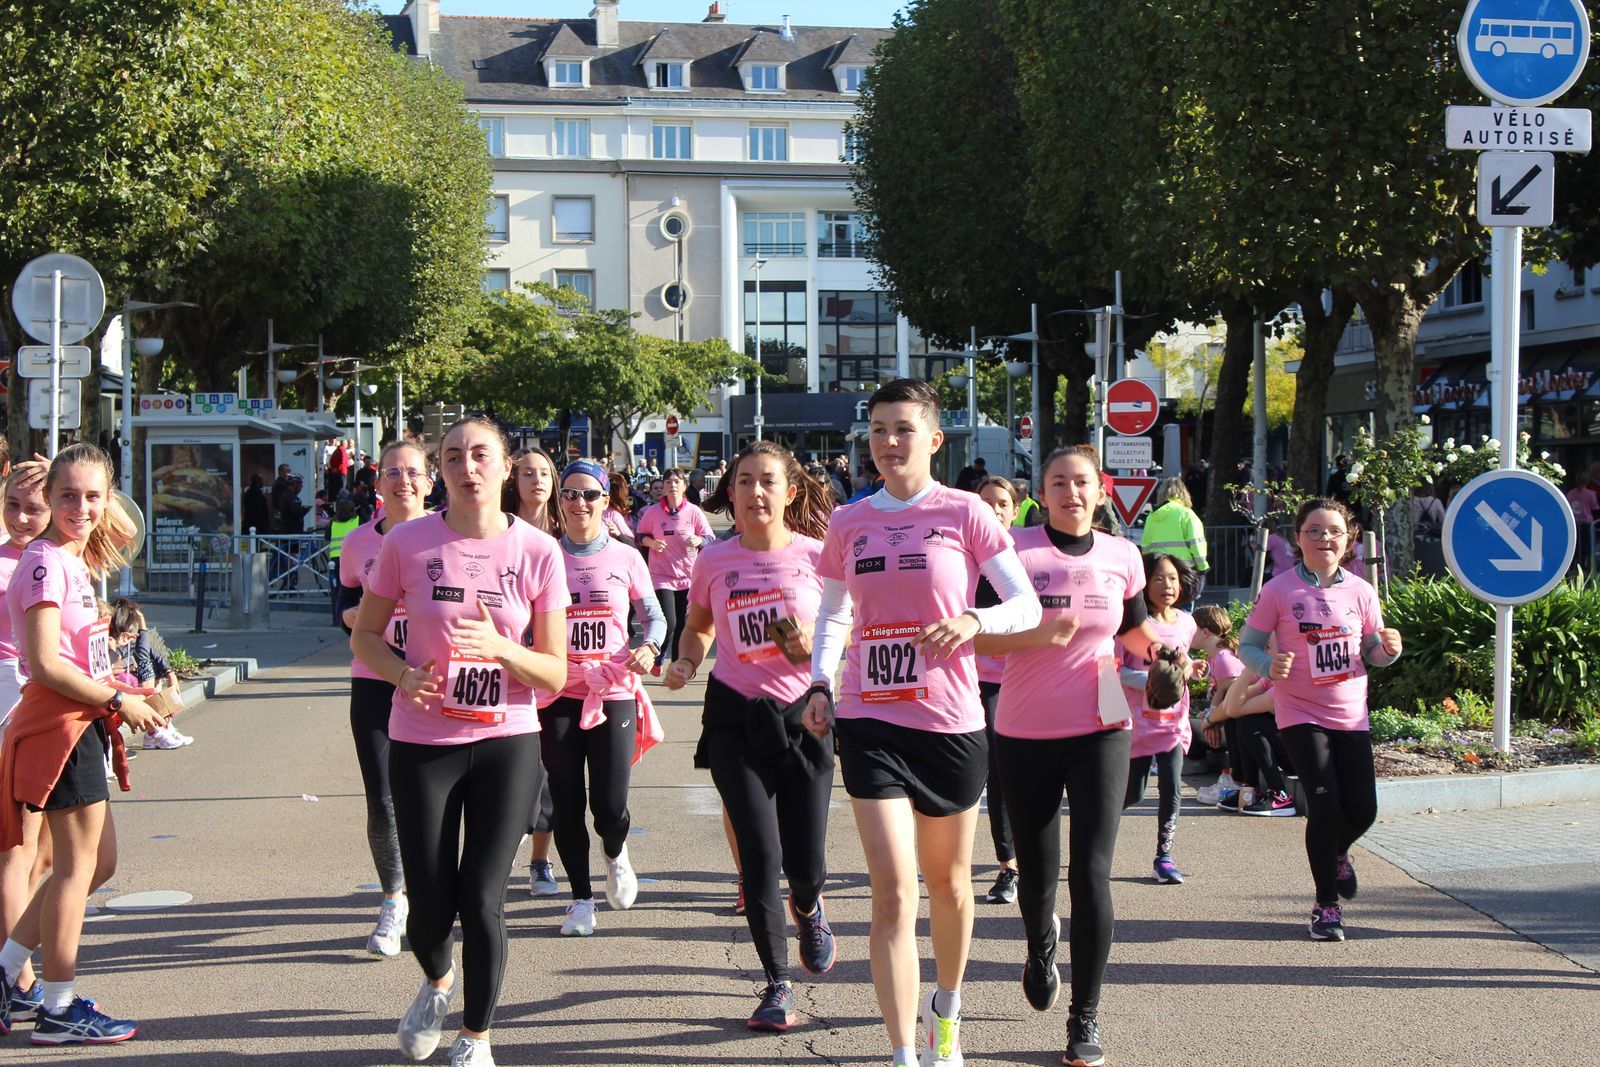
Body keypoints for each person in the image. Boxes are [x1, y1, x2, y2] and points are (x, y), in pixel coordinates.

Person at [802, 379, 1041, 1067]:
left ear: (934, 439)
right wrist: (821, 681)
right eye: (878, 429)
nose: (888, 442)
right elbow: (834, 613)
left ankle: (947, 1010)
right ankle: (904, 1051)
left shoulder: (966, 512)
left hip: (950, 721)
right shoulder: (849, 520)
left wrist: (973, 619)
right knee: (893, 892)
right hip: (870, 718)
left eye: (903, 429)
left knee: (951, 885)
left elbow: (1024, 605)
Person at [352, 416, 569, 1067]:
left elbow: (554, 673)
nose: (467, 467)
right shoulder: (408, 542)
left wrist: (504, 648)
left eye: (480, 454)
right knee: (428, 905)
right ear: (439, 470)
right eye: (452, 456)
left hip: (507, 739)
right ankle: (437, 980)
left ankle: (477, 1037)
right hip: (423, 739)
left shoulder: (539, 551)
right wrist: (401, 674)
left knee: (481, 896)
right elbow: (365, 635)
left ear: (505, 466)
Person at [973, 444, 1197, 1067]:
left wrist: (1164, 654)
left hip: (1103, 724)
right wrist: (1036, 634)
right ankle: (1040, 946)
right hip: (1025, 728)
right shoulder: (1013, 551)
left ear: (1100, 491)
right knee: (1039, 877)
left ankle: (1085, 1016)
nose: (1070, 492)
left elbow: (1132, 629)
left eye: (1081, 482)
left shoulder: (1123, 555)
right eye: (1058, 482)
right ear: (1040, 493)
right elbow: (980, 635)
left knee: (1091, 874)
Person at [0, 444, 166, 1044]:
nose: (82, 508)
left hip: (82, 722)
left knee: (99, 863)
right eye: (66, 495)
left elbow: (123, 529)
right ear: (47, 498)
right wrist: (120, 700)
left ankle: (5, 973)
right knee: (74, 868)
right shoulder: (46, 563)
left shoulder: (75, 554)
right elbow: (45, 663)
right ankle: (57, 1008)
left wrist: (126, 693)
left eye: (93, 496)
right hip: (59, 726)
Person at [668, 441, 836, 1032]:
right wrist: (686, 662)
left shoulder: (818, 556)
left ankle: (809, 905)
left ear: (790, 492)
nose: (755, 492)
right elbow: (698, 627)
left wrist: (812, 642)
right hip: (735, 717)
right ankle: (776, 983)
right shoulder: (714, 560)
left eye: (767, 481)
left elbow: (844, 628)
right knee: (760, 855)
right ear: (731, 492)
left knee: (806, 863)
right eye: (744, 481)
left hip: (804, 717)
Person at [1240, 497, 1402, 942]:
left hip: (1351, 713)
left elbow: (1373, 653)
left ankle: (1338, 853)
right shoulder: (1279, 590)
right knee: (1325, 807)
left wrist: (1389, 651)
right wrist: (1268, 665)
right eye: (1314, 530)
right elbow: (1247, 646)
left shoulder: (1362, 591)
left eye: (1333, 531)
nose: (1324, 538)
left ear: (1348, 539)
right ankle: (1326, 905)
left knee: (1363, 810)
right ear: (1299, 538)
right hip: (1300, 712)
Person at [539, 460, 666, 938]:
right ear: (560, 501)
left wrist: (649, 647)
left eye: (589, 494)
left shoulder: (626, 557)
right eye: (570, 494)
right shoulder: (545, 555)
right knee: (567, 800)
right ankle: (580, 900)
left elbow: (654, 617)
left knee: (610, 806)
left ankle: (615, 851)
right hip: (559, 688)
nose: (579, 503)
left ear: (605, 501)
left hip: (613, 688)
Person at [335, 441, 433, 958]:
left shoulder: (449, 535)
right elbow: (342, 604)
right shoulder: (357, 544)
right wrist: (352, 616)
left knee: (432, 795)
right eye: (392, 472)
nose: (403, 481)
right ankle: (394, 898)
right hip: (375, 677)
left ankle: (434, 892)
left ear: (429, 482)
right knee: (382, 795)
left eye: (413, 472)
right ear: (377, 484)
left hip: (436, 680)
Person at [0, 460, 51, 1023]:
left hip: (53, 708)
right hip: (14, 703)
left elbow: (122, 526)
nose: (20, 518)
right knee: (19, 847)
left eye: (33, 507)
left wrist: (62, 468)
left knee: (50, 854)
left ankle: (13, 960)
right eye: (12, 505)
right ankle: (19, 978)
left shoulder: (57, 554)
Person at [501, 446, 563, 893]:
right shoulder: (500, 531)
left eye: (544, 472)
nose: (537, 480)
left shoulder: (569, 530)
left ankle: (540, 861)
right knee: (513, 773)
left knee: (551, 772)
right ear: (513, 481)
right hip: (507, 671)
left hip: (559, 673)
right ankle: (500, 852)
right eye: (527, 473)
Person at [1119, 554, 1201, 884]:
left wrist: (1190, 669)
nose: (1167, 585)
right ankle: (1094, 830)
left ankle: (1164, 857)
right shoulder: (1131, 625)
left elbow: (1183, 663)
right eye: (1158, 578)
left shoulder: (1187, 622)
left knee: (1171, 787)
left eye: (1173, 578)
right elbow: (1116, 671)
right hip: (1137, 723)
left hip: (1173, 723)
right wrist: (1154, 679)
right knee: (1133, 794)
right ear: (1143, 584)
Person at [973, 476, 1021, 904]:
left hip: (1031, 677)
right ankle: (1009, 863)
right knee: (997, 770)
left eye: (1002, 503)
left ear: (1015, 510)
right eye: (985, 502)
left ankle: (1029, 854)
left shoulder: (1028, 556)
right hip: (980, 678)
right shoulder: (963, 558)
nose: (994, 509)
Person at [634, 469, 714, 676]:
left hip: (688, 577)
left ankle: (677, 665)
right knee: (669, 622)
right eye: (668, 482)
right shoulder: (653, 512)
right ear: (664, 486)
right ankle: (659, 655)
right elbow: (640, 535)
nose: (672, 485)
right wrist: (652, 543)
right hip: (662, 576)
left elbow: (710, 538)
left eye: (677, 481)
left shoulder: (694, 512)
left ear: (684, 486)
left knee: (683, 625)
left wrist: (699, 540)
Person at [108, 600, 192, 751]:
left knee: (148, 665)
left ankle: (161, 728)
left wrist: (169, 672)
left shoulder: (127, 641)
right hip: (113, 686)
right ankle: (156, 731)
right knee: (145, 667)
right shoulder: (110, 641)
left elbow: (148, 652)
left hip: (126, 682)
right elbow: (139, 655)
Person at [1139, 478, 1208, 606]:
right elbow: (1197, 545)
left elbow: (1146, 548)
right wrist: (1202, 568)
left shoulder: (1152, 517)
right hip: (1184, 571)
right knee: (1184, 611)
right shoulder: (1187, 514)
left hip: (1159, 572)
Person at [242, 473, 272, 537]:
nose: (263, 482)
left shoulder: (247, 493)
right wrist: (265, 529)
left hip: (248, 525)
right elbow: (260, 513)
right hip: (257, 528)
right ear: (257, 481)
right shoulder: (258, 495)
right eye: (261, 480)